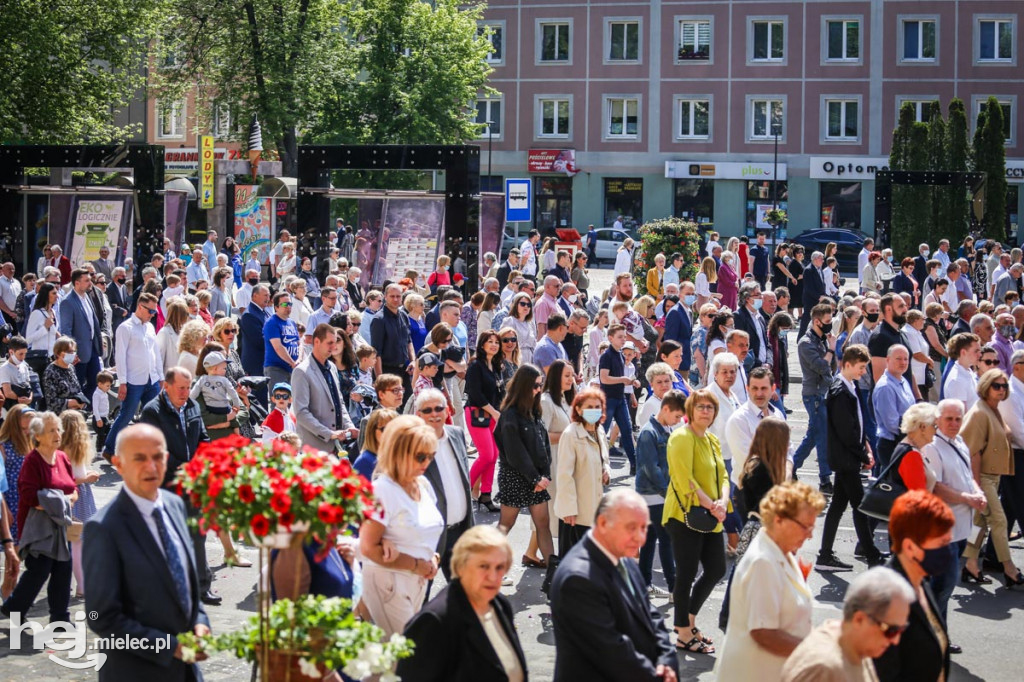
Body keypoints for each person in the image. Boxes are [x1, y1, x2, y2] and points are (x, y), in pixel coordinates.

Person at [83, 423, 211, 681]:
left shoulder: (175, 506)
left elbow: (185, 586)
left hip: (185, 671)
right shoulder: (104, 529)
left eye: (157, 457)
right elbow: (101, 618)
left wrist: (201, 623)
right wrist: (169, 647)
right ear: (118, 464)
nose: (151, 467)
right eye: (139, 458)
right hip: (136, 672)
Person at [549, 489, 678, 681]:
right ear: (603, 523)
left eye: (644, 528)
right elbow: (609, 650)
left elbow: (650, 615)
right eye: (631, 528)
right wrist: (658, 677)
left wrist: (666, 660)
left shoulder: (623, 556)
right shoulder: (578, 579)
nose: (640, 538)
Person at [715, 481, 825, 681]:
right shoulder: (762, 562)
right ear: (779, 520)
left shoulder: (781, 550)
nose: (810, 535)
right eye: (805, 527)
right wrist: (816, 650)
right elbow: (763, 633)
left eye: (812, 527)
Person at [397, 526, 527, 682]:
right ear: (461, 566)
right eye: (483, 566)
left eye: (500, 567)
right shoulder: (435, 621)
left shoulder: (499, 605)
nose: (493, 576)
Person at [138, 367, 219, 606]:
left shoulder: (192, 406)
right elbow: (154, 449)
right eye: (181, 388)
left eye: (188, 387)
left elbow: (203, 438)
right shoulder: (152, 411)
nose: (185, 392)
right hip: (165, 484)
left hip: (191, 482)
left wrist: (198, 464)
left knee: (197, 534)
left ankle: (202, 587)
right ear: (166, 386)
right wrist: (181, 466)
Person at [358, 415, 445, 637]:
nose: (426, 463)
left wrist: (433, 558)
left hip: (418, 580)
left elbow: (425, 532)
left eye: (430, 456)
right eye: (420, 456)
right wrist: (415, 564)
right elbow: (368, 547)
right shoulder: (382, 490)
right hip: (388, 582)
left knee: (394, 661)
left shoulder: (423, 485)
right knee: (403, 655)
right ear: (398, 452)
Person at [664, 389, 730, 654]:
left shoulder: (712, 440)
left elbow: (724, 475)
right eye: (700, 406)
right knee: (687, 573)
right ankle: (681, 631)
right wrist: (710, 504)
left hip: (712, 514)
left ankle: (689, 621)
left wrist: (723, 502)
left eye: (710, 407)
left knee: (716, 569)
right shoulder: (681, 437)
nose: (705, 411)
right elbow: (683, 479)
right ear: (690, 411)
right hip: (685, 515)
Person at [0, 411, 77, 623]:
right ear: (38, 435)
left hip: (60, 526)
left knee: (63, 570)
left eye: (58, 429)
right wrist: (60, 501)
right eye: (51, 430)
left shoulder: (62, 458)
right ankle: (15, 608)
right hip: (38, 527)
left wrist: (68, 498)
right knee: (38, 571)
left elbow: (72, 487)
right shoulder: (32, 461)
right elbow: (29, 496)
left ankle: (60, 619)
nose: (57, 434)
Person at [781, 566, 915, 682]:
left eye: (902, 630)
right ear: (859, 620)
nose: (896, 640)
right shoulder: (823, 668)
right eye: (891, 630)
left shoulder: (858, 647)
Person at [922, 399, 987, 637]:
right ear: (937, 420)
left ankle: (939, 636)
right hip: (943, 531)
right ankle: (934, 638)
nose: (953, 423)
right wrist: (968, 499)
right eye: (948, 419)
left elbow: (968, 476)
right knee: (943, 587)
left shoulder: (959, 441)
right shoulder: (932, 447)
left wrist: (977, 492)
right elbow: (936, 486)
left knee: (945, 588)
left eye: (958, 419)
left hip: (962, 528)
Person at [874, 490, 953, 682]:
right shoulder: (888, 598)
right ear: (910, 547)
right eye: (941, 543)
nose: (948, 551)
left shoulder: (920, 582)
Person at [818, 344, 884, 570]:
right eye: (861, 367)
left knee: (838, 506)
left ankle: (825, 554)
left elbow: (857, 422)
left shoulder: (849, 386)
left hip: (847, 457)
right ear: (847, 364)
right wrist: (863, 454)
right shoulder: (839, 391)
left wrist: (865, 444)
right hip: (846, 459)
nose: (863, 372)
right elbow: (846, 431)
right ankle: (871, 553)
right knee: (860, 506)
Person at [960, 368, 1024, 586]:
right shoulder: (980, 412)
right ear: (985, 386)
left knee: (979, 523)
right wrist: (976, 486)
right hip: (983, 478)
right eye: (996, 386)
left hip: (994, 477)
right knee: (999, 520)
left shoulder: (993, 409)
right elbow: (972, 451)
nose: (1001, 390)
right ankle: (1009, 568)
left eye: (1004, 386)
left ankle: (969, 563)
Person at [413, 389, 475, 581]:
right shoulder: (411, 445)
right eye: (427, 410)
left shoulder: (456, 434)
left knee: (464, 595)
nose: (434, 414)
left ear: (447, 410)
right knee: (421, 597)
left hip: (460, 532)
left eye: (439, 408)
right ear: (418, 415)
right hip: (429, 538)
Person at [494, 364, 554, 565]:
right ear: (524, 386)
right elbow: (515, 453)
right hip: (515, 476)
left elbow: (544, 445)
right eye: (536, 385)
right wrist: (536, 478)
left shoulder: (534, 411)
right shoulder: (510, 415)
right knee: (505, 525)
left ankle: (554, 575)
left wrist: (545, 475)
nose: (539, 389)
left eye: (541, 385)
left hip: (536, 477)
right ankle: (485, 563)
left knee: (543, 525)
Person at [635, 389, 686, 596]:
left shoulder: (664, 429)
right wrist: (668, 492)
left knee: (649, 541)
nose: (677, 421)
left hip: (654, 495)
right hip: (654, 496)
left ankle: (644, 584)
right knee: (667, 541)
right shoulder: (650, 432)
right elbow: (651, 468)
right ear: (665, 409)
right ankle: (674, 588)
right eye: (675, 416)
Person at [555, 387, 611, 555]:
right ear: (578, 409)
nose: (594, 411)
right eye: (589, 407)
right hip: (575, 513)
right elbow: (565, 474)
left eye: (597, 407)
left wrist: (606, 470)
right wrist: (569, 510)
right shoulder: (571, 434)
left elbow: (604, 459)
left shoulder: (599, 431)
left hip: (594, 508)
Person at [291, 323, 359, 452]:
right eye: (329, 343)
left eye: (335, 342)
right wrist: (329, 434)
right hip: (314, 448)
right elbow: (301, 413)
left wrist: (349, 426)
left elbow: (339, 402)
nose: (334, 347)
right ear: (317, 341)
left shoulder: (332, 367)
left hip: (337, 446)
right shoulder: (301, 372)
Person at [793, 304, 837, 493]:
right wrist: (831, 350)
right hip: (814, 395)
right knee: (821, 436)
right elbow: (821, 366)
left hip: (824, 391)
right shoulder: (806, 343)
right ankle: (825, 479)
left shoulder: (821, 339)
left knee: (813, 436)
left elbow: (830, 367)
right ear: (816, 321)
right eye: (827, 322)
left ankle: (790, 468)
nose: (830, 325)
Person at [58, 268, 104, 397]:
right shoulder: (68, 301)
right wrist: (71, 352)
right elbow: (66, 330)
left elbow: (92, 323)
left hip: (92, 350)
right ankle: (78, 409)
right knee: (76, 385)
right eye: (87, 280)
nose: (91, 283)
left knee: (96, 382)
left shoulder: (87, 297)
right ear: (77, 283)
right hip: (79, 353)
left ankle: (86, 408)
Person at [42, 336, 87, 413]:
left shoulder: (71, 368)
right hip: (60, 416)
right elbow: (51, 402)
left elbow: (78, 391)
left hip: (76, 413)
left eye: (74, 351)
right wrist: (71, 403)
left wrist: (82, 402)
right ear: (59, 353)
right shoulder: (50, 372)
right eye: (69, 352)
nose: (73, 354)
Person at [352, 408, 398, 479]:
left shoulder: (397, 457)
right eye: (385, 429)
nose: (391, 433)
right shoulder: (365, 461)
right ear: (372, 431)